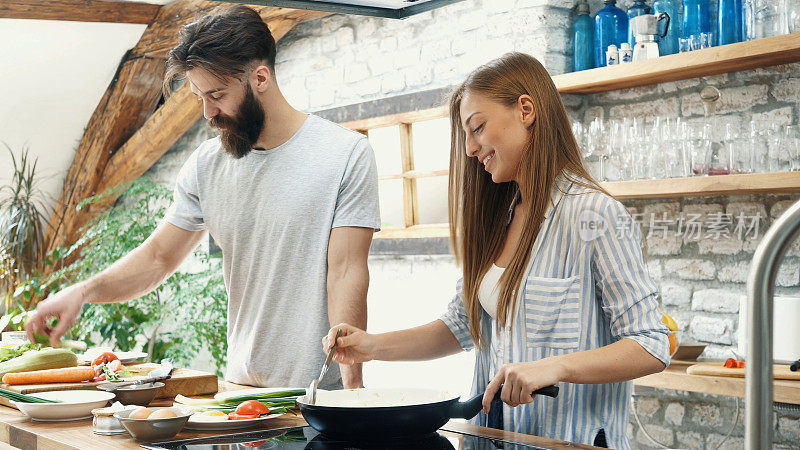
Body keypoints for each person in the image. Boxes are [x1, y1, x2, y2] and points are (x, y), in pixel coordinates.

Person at [323, 52, 669, 449]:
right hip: (491, 440)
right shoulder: (499, 218)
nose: (470, 149)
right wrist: (370, 346)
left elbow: (650, 343)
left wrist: (555, 367)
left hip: (566, 441)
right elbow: (458, 327)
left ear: (525, 110)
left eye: (478, 128)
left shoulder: (595, 214)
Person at [26, 5, 380, 390]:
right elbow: (159, 257)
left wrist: (352, 388)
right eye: (199, 97)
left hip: (318, 396)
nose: (209, 113)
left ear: (260, 77)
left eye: (217, 95)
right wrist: (83, 291)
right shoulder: (206, 165)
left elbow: (346, 273)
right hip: (241, 395)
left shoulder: (345, 154)